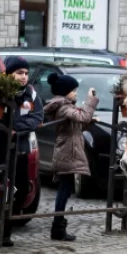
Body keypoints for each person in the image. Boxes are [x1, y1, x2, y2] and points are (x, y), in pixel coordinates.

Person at [0, 56, 44, 247]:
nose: (23, 77)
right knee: (1, 189)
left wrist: (17, 127)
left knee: (20, 191)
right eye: (19, 73)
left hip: (21, 149)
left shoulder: (30, 93)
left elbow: (38, 116)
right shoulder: (1, 93)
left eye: (26, 73)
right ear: (9, 74)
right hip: (2, 150)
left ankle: (5, 224)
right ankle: (0, 230)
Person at [43, 73, 99, 241]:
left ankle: (58, 225)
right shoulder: (63, 107)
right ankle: (57, 226)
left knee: (65, 190)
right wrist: (90, 101)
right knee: (64, 190)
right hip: (67, 152)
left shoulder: (66, 105)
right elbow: (82, 116)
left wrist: (89, 121)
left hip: (68, 150)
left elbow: (79, 123)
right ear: (65, 91)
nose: (75, 94)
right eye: (73, 91)